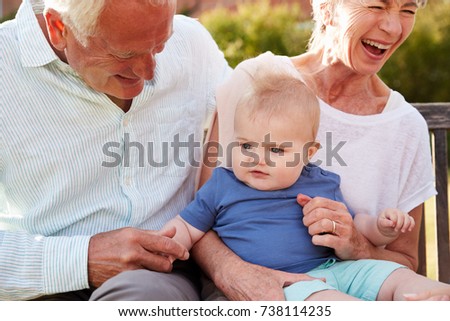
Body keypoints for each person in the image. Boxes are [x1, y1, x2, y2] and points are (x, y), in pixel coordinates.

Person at [191, 0, 442, 300]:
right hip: (258, 297)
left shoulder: (406, 127)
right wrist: (234, 271)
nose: (393, 26)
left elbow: (406, 263)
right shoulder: (255, 83)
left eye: (408, 10)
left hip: (355, 282)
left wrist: (359, 245)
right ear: (326, 8)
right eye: (376, 5)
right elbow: (201, 218)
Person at [0, 0, 230, 300]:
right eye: (125, 53)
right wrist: (82, 259)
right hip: (35, 288)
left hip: (158, 282)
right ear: (59, 28)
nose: (149, 72)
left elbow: (253, 124)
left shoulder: (193, 43)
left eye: (161, 46)